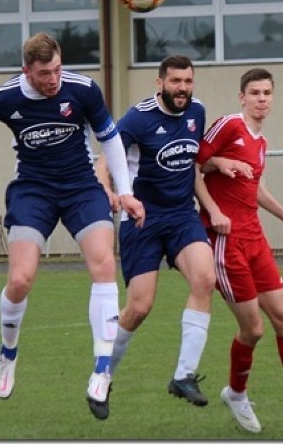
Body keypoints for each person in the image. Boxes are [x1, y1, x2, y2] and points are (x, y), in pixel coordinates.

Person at [0, 32, 144, 421]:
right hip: (32, 191)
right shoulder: (6, 97)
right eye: (45, 73)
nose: (54, 79)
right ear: (26, 72)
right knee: (20, 280)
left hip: (82, 187)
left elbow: (111, 139)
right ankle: (8, 350)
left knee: (103, 265)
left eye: (57, 69)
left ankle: (101, 371)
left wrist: (127, 191)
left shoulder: (82, 90)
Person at [194, 68, 283, 433]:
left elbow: (254, 188)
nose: (262, 99)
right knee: (253, 330)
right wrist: (213, 210)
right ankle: (236, 393)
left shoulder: (261, 143)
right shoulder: (228, 125)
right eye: (255, 93)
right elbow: (192, 166)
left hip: (255, 239)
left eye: (267, 93)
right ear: (242, 96)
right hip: (226, 242)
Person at [94, 55, 216, 407]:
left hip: (181, 216)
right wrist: (106, 188)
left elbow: (192, 162)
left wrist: (213, 190)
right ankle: (103, 373)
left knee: (205, 279)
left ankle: (183, 376)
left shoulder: (197, 113)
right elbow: (106, 157)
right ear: (159, 83)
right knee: (139, 308)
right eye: (176, 81)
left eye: (188, 81)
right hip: (142, 218)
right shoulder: (138, 117)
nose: (183, 88)